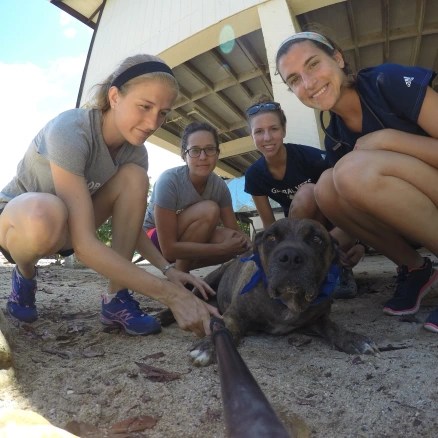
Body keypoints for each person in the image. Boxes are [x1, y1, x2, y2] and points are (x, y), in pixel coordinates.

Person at [0, 54, 221, 338]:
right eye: (145, 106)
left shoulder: (135, 153)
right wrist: (173, 296)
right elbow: (84, 246)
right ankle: (25, 273)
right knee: (46, 212)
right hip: (19, 223)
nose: (153, 122)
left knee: (134, 177)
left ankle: (116, 298)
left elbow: (129, 225)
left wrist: (167, 269)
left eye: (163, 113)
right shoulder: (71, 129)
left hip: (71, 227)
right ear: (115, 97)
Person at [275, 30, 438, 332]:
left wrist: (389, 140)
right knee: (326, 187)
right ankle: (415, 268)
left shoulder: (385, 81)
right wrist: (329, 248)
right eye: (294, 80)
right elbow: (360, 201)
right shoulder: (335, 136)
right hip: (414, 217)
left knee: (348, 171)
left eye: (313, 64)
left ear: (337, 58)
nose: (308, 83)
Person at [244, 94, 365, 298]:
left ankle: (337, 266)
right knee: (306, 197)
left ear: (284, 130)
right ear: (251, 136)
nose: (267, 138)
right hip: (298, 236)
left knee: (310, 192)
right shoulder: (254, 175)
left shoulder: (312, 158)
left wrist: (360, 243)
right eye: (259, 131)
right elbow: (270, 227)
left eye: (274, 129)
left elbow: (349, 201)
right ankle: (305, 269)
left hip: (335, 229)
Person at [143, 121, 251, 273]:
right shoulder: (169, 181)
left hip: (186, 244)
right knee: (209, 209)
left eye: (210, 149)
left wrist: (250, 245)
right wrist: (221, 249)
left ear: (217, 153)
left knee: (235, 240)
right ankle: (181, 276)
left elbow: (234, 231)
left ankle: (180, 270)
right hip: (155, 242)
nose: (203, 157)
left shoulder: (219, 186)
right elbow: (168, 249)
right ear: (184, 155)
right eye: (195, 150)